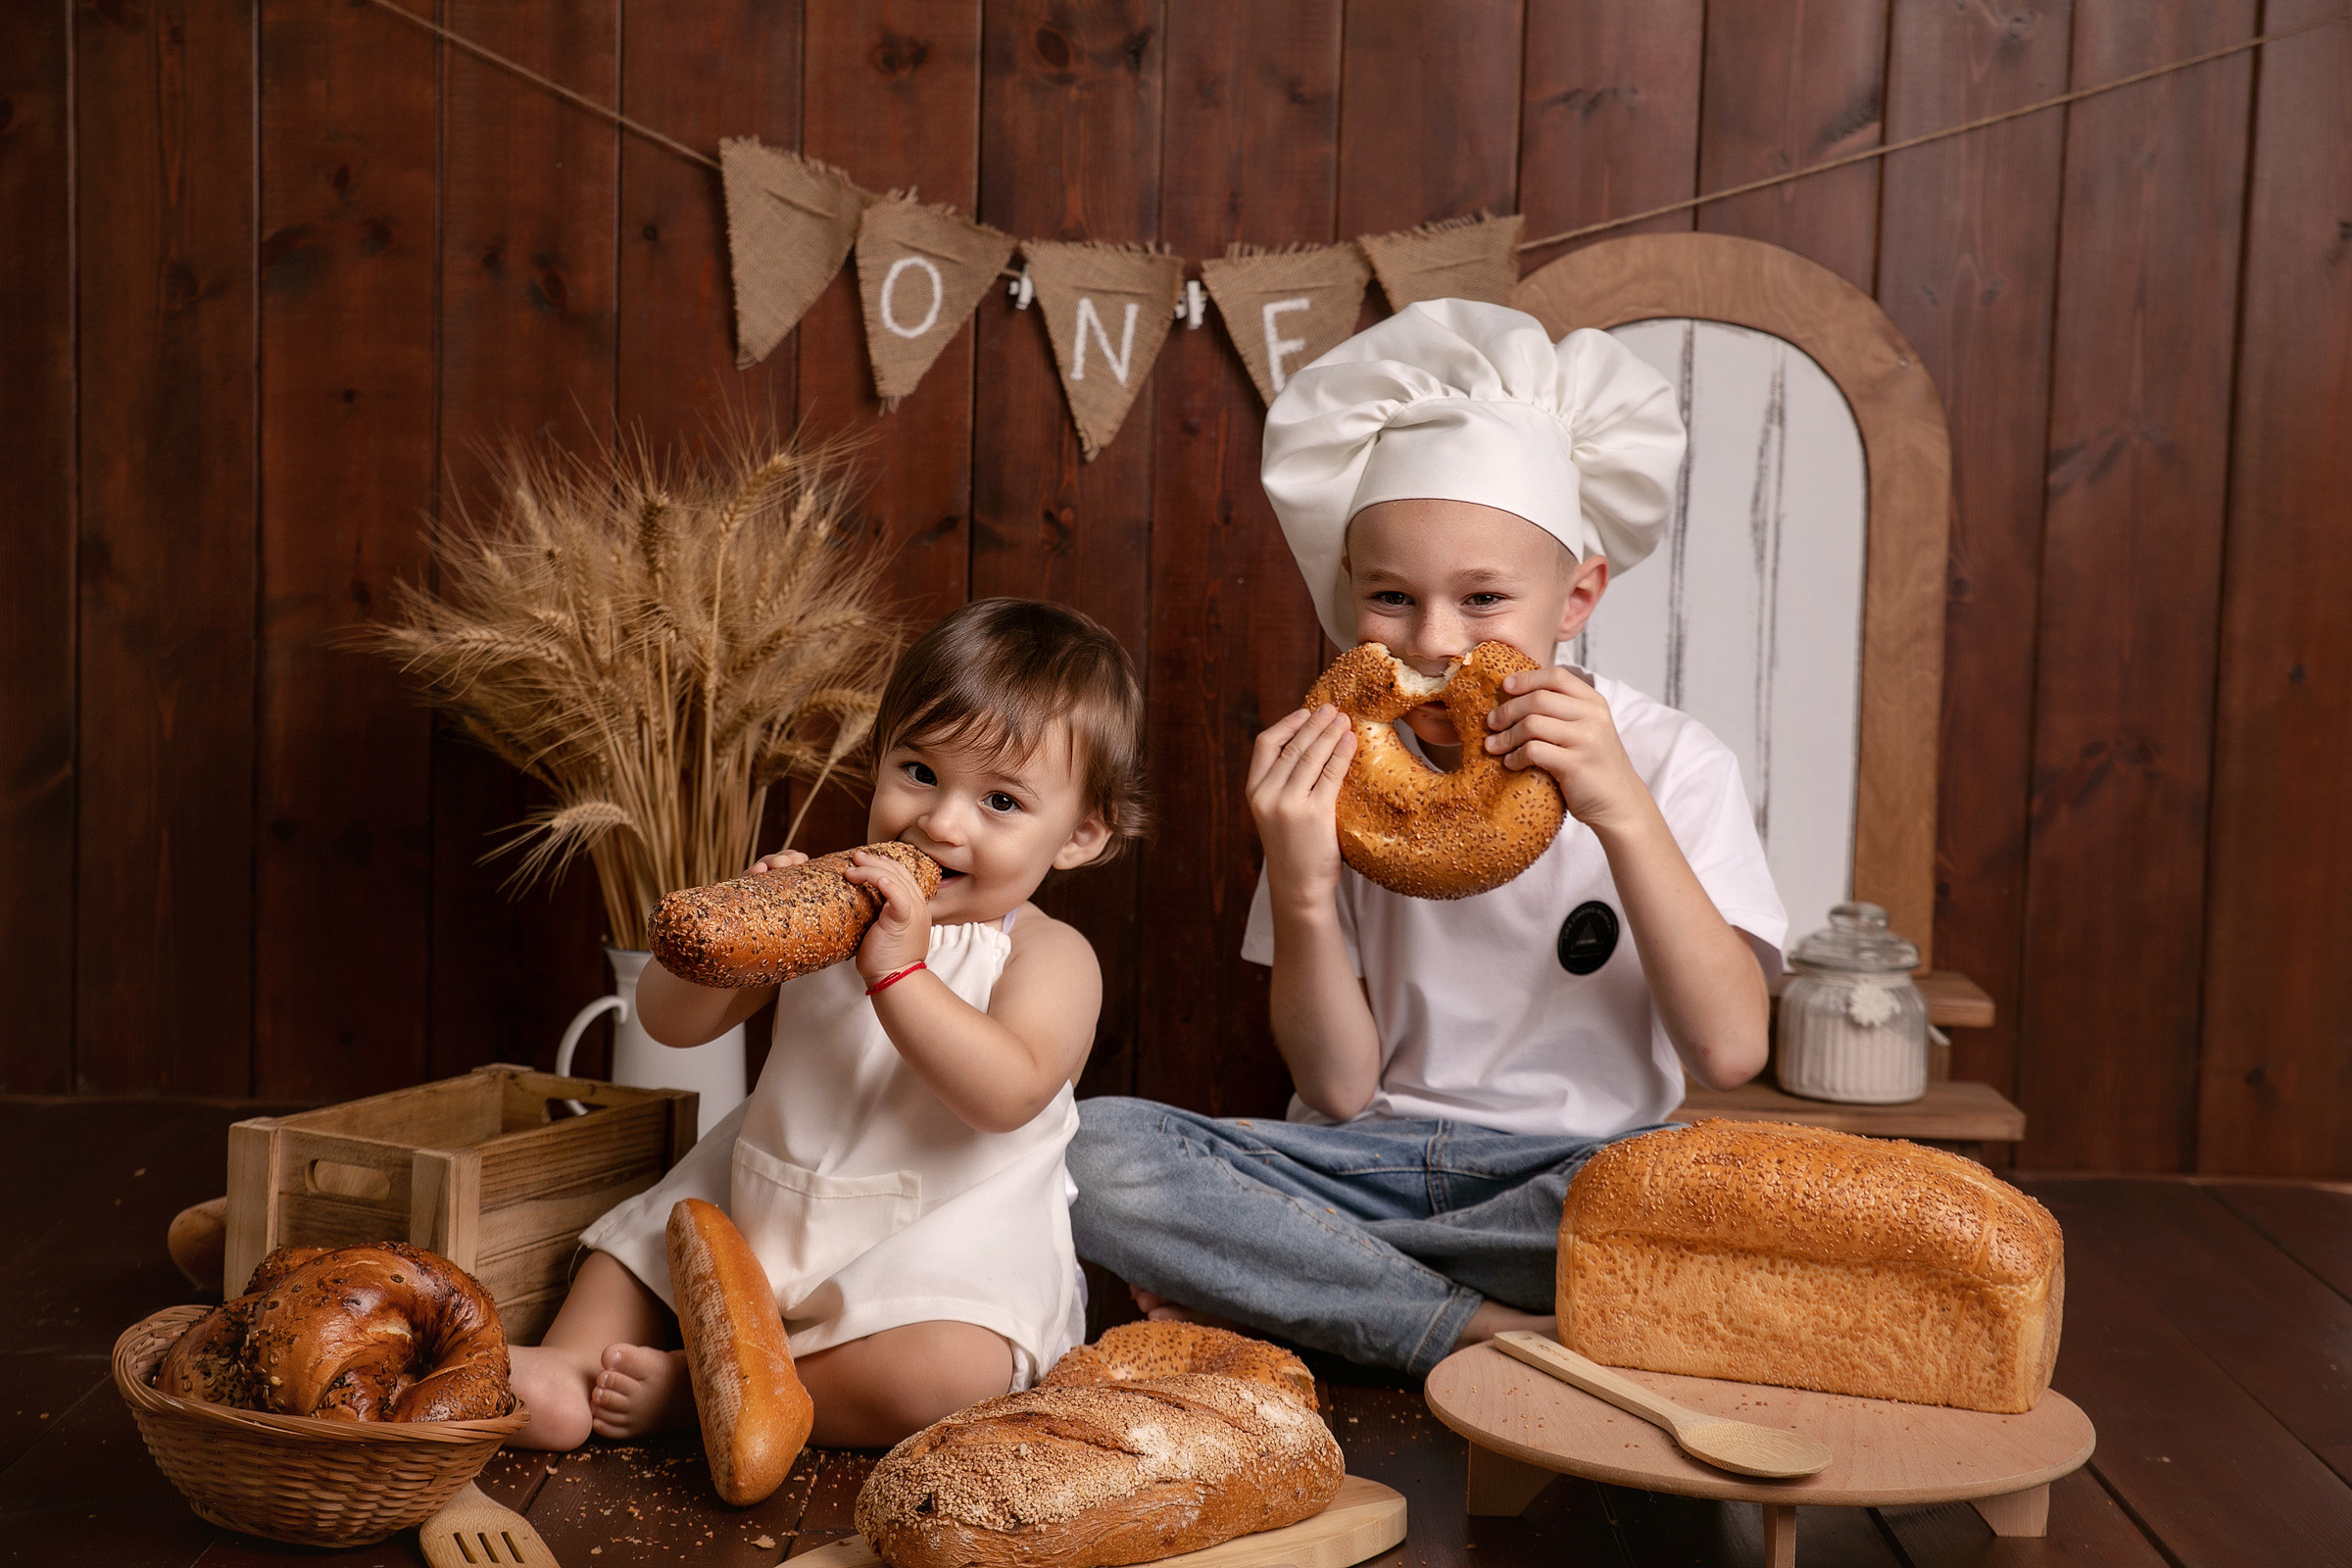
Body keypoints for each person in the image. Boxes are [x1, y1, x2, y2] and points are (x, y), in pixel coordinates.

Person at [1067, 299, 1788, 1378]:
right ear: (1350, 600)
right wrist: (1305, 880)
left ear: (1578, 593)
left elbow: (1730, 1051)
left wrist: (1622, 811)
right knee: (1087, 1152)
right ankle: (1482, 1330)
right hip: (1357, 1164)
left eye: (1485, 598)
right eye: (1393, 600)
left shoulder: (1674, 764)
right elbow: (1342, 1087)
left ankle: (1313, 1289)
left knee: (1709, 1204)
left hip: (1569, 1181)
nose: (1439, 644)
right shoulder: (1338, 774)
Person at [510, 598, 1148, 1448]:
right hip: (768, 1200)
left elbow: (1008, 1092)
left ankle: (720, 1400)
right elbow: (668, 1023)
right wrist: (743, 937)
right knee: (640, 1249)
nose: (941, 821)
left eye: (999, 800)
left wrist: (902, 971)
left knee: (949, 1374)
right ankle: (569, 1366)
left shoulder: (1046, 954)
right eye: (919, 772)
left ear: (1080, 835)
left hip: (932, 1247)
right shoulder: (832, 907)